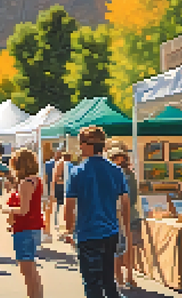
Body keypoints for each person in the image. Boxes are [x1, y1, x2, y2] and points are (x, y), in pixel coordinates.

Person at [63, 126, 130, 298]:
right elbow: (125, 202)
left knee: (92, 283)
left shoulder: (77, 171)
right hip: (110, 232)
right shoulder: (116, 170)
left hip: (88, 233)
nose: (79, 147)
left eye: (81, 143)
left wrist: (68, 230)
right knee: (108, 279)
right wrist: (126, 228)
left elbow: (69, 205)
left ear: (89, 145)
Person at [3, 149, 44, 298]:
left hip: (25, 228)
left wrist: (7, 209)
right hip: (34, 227)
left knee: (27, 271)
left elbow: (23, 210)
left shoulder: (25, 183)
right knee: (31, 269)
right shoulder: (37, 180)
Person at [107, 146, 138, 288]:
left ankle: (120, 277)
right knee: (126, 246)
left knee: (118, 247)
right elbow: (133, 198)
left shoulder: (112, 174)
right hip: (127, 214)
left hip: (118, 213)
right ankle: (126, 277)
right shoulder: (129, 174)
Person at [51, 152, 74, 240]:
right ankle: (62, 227)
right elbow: (57, 178)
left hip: (60, 188)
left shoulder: (60, 164)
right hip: (61, 188)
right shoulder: (64, 164)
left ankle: (59, 226)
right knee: (61, 207)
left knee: (59, 208)